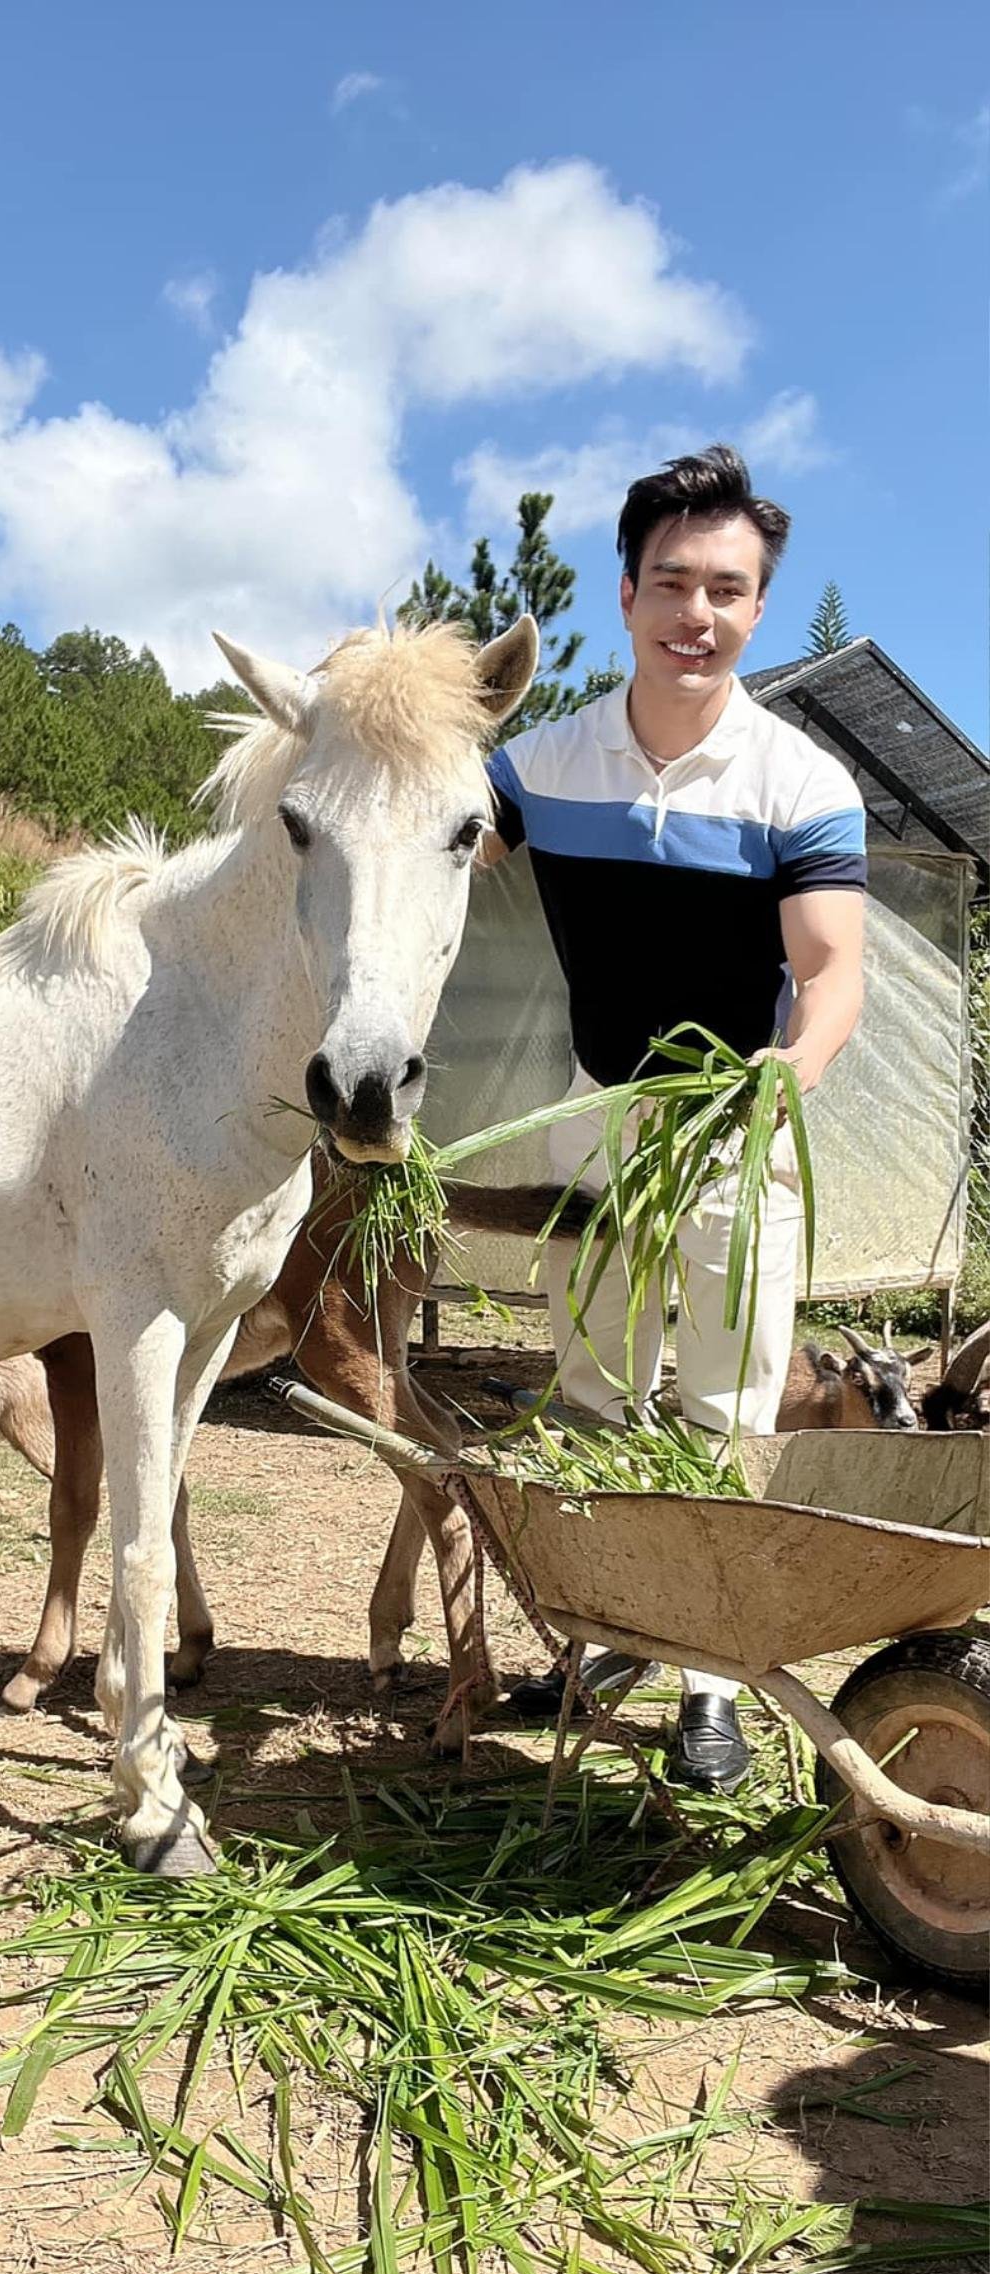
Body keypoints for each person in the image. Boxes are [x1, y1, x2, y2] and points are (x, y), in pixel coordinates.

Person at [481, 445, 866, 1793]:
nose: (694, 615)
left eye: (726, 589)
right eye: (670, 584)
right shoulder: (540, 764)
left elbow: (831, 973)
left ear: (757, 607)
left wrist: (789, 1076)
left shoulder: (799, 784)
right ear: (629, 594)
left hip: (736, 1138)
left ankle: (712, 1680)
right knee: (588, 1393)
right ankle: (602, 1635)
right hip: (598, 1119)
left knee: (719, 1406)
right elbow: (436, 846)